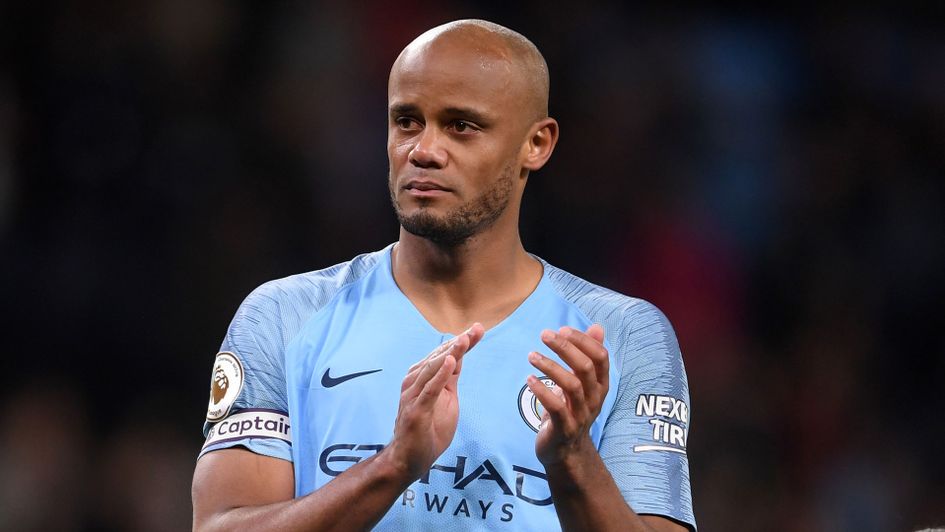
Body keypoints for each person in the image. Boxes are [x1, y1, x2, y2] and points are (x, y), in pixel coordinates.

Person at [191, 19, 696, 532]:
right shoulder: (286, 315)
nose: (424, 150)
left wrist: (571, 461)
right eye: (407, 121)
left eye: (461, 126)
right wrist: (393, 467)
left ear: (536, 144)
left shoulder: (621, 336)